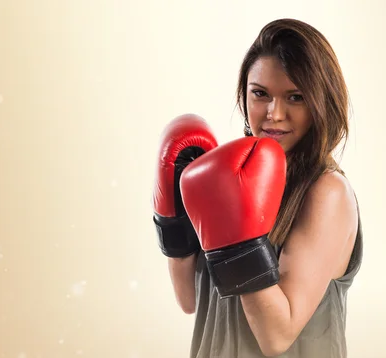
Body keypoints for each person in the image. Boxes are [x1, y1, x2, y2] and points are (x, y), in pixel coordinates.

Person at [152, 18, 363, 358]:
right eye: (260, 94)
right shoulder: (228, 178)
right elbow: (189, 300)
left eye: (295, 97)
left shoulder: (326, 193)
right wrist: (173, 218)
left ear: (321, 103)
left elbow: (276, 337)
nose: (274, 114)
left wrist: (237, 239)